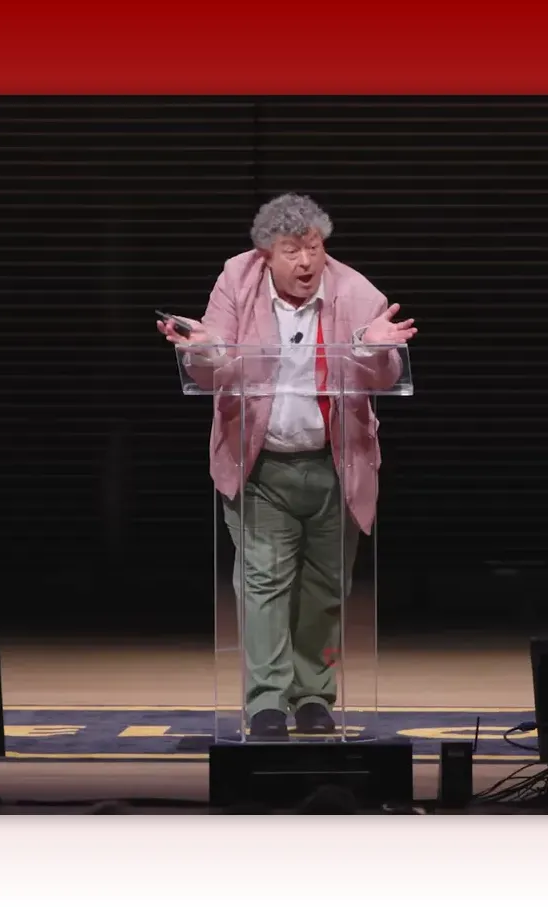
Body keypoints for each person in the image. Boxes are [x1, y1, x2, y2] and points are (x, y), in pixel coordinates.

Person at [157, 193, 416, 740]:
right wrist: (202, 350)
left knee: (326, 590)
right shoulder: (236, 280)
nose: (305, 262)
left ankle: (315, 696)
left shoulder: (357, 291)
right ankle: (268, 701)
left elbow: (386, 374)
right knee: (263, 586)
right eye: (291, 250)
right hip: (261, 467)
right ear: (265, 255)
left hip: (336, 466)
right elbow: (214, 365)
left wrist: (373, 349)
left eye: (314, 249)